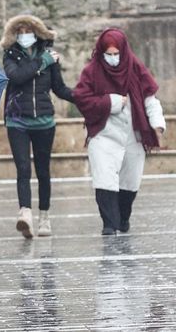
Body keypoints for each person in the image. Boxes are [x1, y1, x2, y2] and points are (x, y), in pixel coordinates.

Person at [72, 28, 165, 236]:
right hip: (104, 134)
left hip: (133, 133)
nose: (113, 59)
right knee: (104, 178)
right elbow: (82, 98)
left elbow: (150, 99)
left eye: (117, 54)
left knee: (130, 181)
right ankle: (109, 223)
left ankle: (123, 219)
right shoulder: (92, 72)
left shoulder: (136, 69)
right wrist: (110, 102)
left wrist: (157, 124)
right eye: (109, 54)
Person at [0, 14, 75, 239]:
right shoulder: (10, 56)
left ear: (38, 32)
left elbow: (60, 89)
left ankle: (44, 216)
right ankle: (25, 213)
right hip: (17, 121)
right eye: (20, 32)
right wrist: (44, 62)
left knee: (43, 170)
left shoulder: (49, 57)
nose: (24, 36)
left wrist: (86, 99)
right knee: (23, 169)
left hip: (44, 121)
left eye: (28, 31)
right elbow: (18, 76)